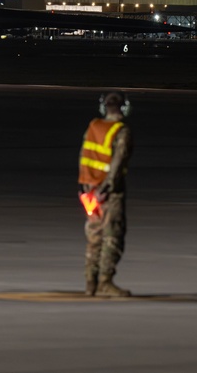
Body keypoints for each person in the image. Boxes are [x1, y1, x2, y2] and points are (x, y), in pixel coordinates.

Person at [78, 91, 133, 297]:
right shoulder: (122, 131)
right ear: (124, 107)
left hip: (88, 190)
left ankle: (90, 282)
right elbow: (117, 164)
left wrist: (85, 186)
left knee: (94, 237)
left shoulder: (93, 127)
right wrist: (108, 187)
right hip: (109, 193)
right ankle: (105, 281)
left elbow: (84, 156)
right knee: (113, 236)